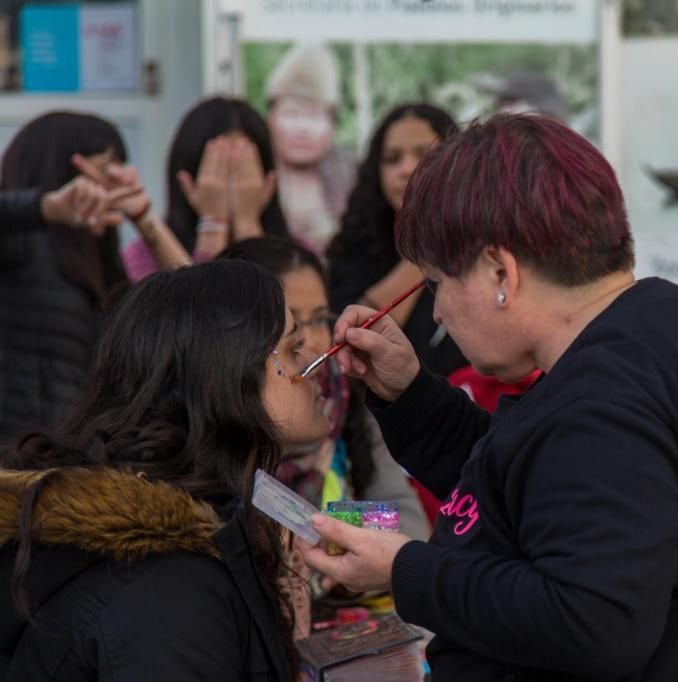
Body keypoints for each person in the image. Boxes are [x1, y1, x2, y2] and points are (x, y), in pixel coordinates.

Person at [299, 114, 678, 681]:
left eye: (439, 285)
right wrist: (411, 394)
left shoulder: (608, 392)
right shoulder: (662, 320)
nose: (438, 312)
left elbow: (593, 622)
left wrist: (405, 569)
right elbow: (538, 486)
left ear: (501, 273)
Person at [0, 259, 325, 679]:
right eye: (295, 348)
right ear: (225, 377)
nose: (317, 358)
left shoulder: (202, 529)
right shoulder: (172, 588)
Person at [218, 236, 430, 540]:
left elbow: (411, 524)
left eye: (319, 319)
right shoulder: (218, 448)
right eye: (291, 324)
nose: (314, 342)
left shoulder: (344, 401)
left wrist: (324, 528)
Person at [0, 112, 175, 439]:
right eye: (107, 168)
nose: (118, 181)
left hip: (62, 461)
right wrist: (46, 207)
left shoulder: (100, 261)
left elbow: (198, 300)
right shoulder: (19, 241)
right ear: (61, 169)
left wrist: (144, 218)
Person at [325, 103, 466, 378]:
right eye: (392, 159)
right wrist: (424, 245)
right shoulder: (353, 248)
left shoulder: (485, 245)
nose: (407, 169)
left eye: (425, 155)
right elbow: (354, 342)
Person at [122, 96, 285, 281]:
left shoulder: (298, 254)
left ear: (268, 181)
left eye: (242, 169)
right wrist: (213, 224)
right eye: (217, 169)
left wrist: (247, 224)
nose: (229, 185)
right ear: (186, 180)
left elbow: (275, 306)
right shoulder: (143, 256)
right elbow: (203, 306)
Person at [265, 43, 358, 255]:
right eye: (291, 114)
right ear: (270, 119)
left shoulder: (352, 176)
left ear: (332, 124)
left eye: (314, 116)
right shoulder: (257, 172)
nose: (302, 129)